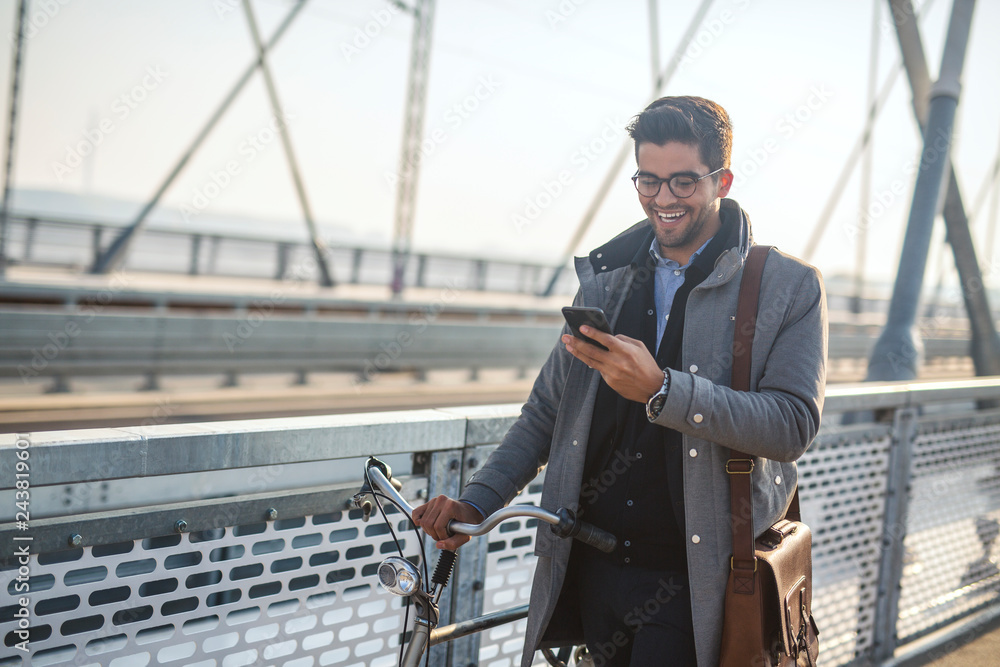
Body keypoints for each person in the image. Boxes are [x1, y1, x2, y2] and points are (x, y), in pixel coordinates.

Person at [412, 95, 827, 667]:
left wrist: (663, 391)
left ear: (722, 180)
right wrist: (476, 506)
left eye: (684, 182)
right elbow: (544, 417)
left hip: (694, 581)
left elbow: (791, 426)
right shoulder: (606, 282)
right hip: (592, 569)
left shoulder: (788, 287)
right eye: (648, 181)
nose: (663, 199)